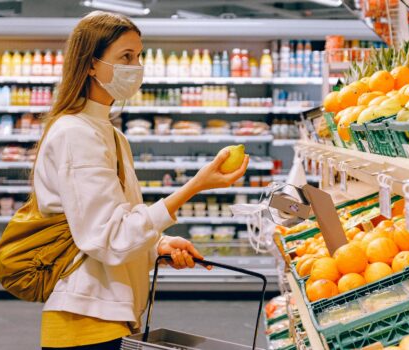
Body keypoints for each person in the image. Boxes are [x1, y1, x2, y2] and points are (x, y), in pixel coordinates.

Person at [33, 11, 249, 350]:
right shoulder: (76, 134)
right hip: (85, 321)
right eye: (126, 57)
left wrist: (156, 245)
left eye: (139, 56)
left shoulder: (111, 134)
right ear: (91, 64)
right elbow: (109, 237)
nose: (136, 67)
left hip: (110, 315)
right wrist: (195, 186)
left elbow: (118, 221)